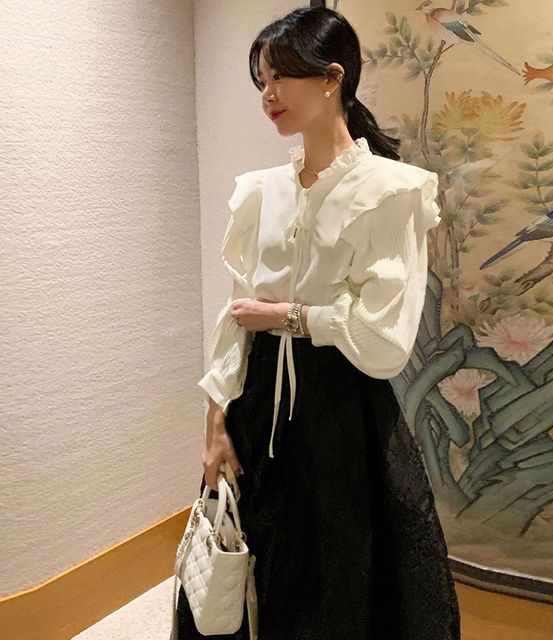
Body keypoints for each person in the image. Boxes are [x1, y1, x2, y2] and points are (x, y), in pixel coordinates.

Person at [174, 6, 461, 639]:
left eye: (281, 77)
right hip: (254, 408)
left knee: (334, 579)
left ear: (332, 77)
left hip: (340, 414)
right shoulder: (260, 192)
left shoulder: (392, 191)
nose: (268, 94)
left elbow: (384, 341)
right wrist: (215, 424)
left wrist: (290, 315)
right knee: (240, 570)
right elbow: (236, 321)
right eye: (262, 81)